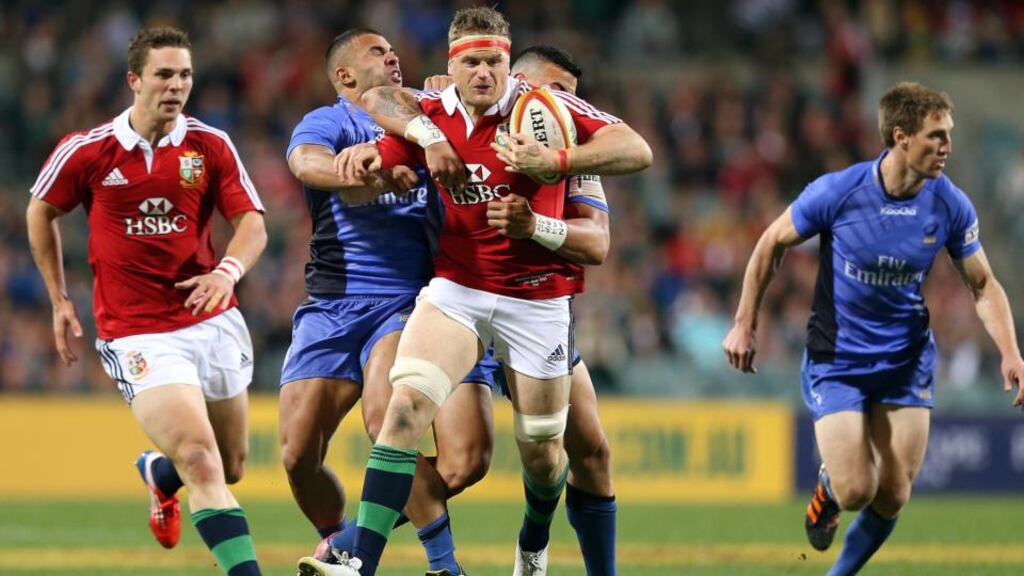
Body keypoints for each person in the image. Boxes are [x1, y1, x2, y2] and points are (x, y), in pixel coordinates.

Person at [299, 7, 651, 576]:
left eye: (493, 61)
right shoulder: (432, 111)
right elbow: (379, 106)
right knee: (405, 406)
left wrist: (554, 163)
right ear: (451, 65)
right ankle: (356, 561)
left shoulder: (550, 112)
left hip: (536, 301)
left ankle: (534, 540)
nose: (484, 73)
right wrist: (394, 150)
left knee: (541, 452)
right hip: (456, 291)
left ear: (511, 66)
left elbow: (638, 150)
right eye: (471, 62)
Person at [721, 82, 1024, 576]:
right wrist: (743, 324)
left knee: (895, 491)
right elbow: (771, 242)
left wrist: (1011, 351)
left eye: (949, 135)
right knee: (857, 489)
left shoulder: (949, 204)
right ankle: (829, 490)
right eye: (936, 136)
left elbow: (984, 284)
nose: (947, 146)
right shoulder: (840, 192)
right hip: (837, 358)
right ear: (900, 137)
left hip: (905, 361)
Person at [25, 27, 267, 576]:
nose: (176, 85)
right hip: (138, 332)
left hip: (212, 319)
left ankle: (160, 476)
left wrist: (228, 272)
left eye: (184, 74)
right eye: (164, 74)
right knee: (202, 461)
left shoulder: (210, 145)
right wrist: (60, 300)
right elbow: (40, 211)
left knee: (230, 466)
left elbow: (252, 223)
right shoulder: (87, 151)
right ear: (134, 80)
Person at [280, 28, 498, 576]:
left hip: (409, 299)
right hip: (333, 304)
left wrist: (453, 101)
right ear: (345, 76)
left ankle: (438, 563)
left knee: (387, 421)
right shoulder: (332, 122)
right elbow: (305, 163)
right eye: (378, 52)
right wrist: (352, 173)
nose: (394, 56)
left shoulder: (429, 117)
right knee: (297, 456)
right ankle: (338, 538)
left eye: (395, 50)